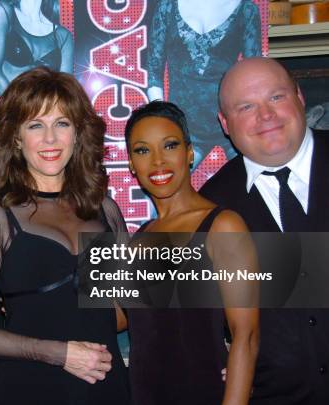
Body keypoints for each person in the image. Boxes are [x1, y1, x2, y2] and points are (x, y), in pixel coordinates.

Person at [0, 67, 130, 404]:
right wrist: (57, 353)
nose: (50, 139)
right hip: (31, 386)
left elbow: (126, 311)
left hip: (105, 387)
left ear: (78, 133)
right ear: (17, 138)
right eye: (36, 125)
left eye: (62, 123)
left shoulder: (103, 210)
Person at [200, 57, 329, 404]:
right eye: (246, 106)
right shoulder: (209, 208)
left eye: (276, 97)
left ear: (300, 97)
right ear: (225, 123)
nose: (265, 115)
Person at [125, 100, 259, 404]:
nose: (157, 161)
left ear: (188, 153)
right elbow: (115, 319)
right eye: (142, 150)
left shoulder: (223, 226)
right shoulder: (139, 239)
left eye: (169, 146)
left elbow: (246, 337)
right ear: (131, 164)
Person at [147, 0, 261, 167]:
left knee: (257, 185)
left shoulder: (246, 9)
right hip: (183, 126)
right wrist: (165, 123)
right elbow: (154, 72)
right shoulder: (167, 6)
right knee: (160, 190)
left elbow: (254, 73)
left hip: (230, 124)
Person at [0, 0, 74, 94]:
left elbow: (66, 90)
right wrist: (17, 106)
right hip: (12, 106)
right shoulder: (3, 11)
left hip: (47, 107)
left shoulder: (63, 36)